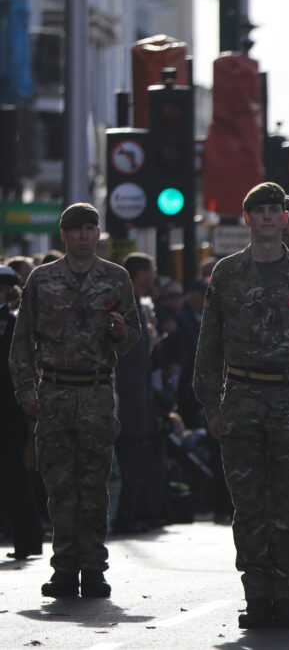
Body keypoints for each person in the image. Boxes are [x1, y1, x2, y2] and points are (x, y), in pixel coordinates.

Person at [193, 183, 289, 629]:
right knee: (250, 507)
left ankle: (288, 593)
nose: (265, 218)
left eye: (273, 211)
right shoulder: (227, 273)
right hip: (241, 399)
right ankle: (257, 595)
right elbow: (210, 345)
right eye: (257, 211)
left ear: (285, 219)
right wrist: (211, 405)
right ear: (247, 219)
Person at [9, 203, 141, 598]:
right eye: (76, 229)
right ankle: (64, 567)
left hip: (97, 391)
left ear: (98, 234)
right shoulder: (42, 280)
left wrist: (121, 331)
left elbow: (134, 333)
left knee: (94, 485)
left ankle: (94, 567)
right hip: (54, 392)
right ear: (63, 235)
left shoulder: (116, 278)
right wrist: (27, 392)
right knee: (60, 487)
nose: (84, 235)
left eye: (90, 228)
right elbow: (21, 344)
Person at [112, 253, 164, 535]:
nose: (154, 274)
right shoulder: (126, 303)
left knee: (137, 464)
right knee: (129, 463)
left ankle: (132, 512)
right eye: (151, 269)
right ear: (140, 273)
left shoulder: (141, 304)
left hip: (138, 401)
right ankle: (124, 515)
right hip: (127, 403)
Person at [0, 266, 43, 560]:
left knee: (14, 473)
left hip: (9, 407)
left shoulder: (13, 324)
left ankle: (28, 539)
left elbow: (25, 363)